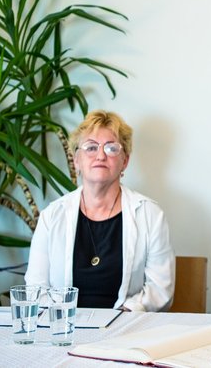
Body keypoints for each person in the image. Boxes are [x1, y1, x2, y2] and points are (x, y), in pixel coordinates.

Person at [25, 110, 175, 311]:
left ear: (125, 161)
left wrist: (121, 317)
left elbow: (160, 290)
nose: (101, 155)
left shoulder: (151, 215)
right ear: (76, 160)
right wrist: (65, 321)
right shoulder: (51, 216)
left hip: (126, 325)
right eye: (91, 147)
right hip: (64, 326)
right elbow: (35, 290)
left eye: (111, 148)